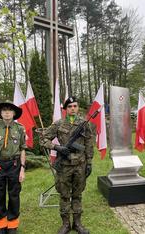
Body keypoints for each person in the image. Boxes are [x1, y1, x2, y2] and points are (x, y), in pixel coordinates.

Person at [40, 96, 94, 234]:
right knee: (64, 195)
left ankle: (77, 223)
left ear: (78, 108)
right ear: (65, 109)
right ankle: (65, 224)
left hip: (80, 165)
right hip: (64, 165)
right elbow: (43, 139)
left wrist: (89, 162)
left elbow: (88, 143)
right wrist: (57, 148)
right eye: (70, 107)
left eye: (75, 106)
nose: (73, 109)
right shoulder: (58, 124)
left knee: (77, 195)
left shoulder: (84, 124)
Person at [0, 101, 26, 234]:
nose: (7, 112)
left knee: (14, 193)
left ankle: (12, 224)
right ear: (0, 113)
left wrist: (22, 168)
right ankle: (1, 223)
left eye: (10, 110)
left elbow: (22, 149)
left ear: (14, 113)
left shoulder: (20, 128)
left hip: (14, 165)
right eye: (4, 110)